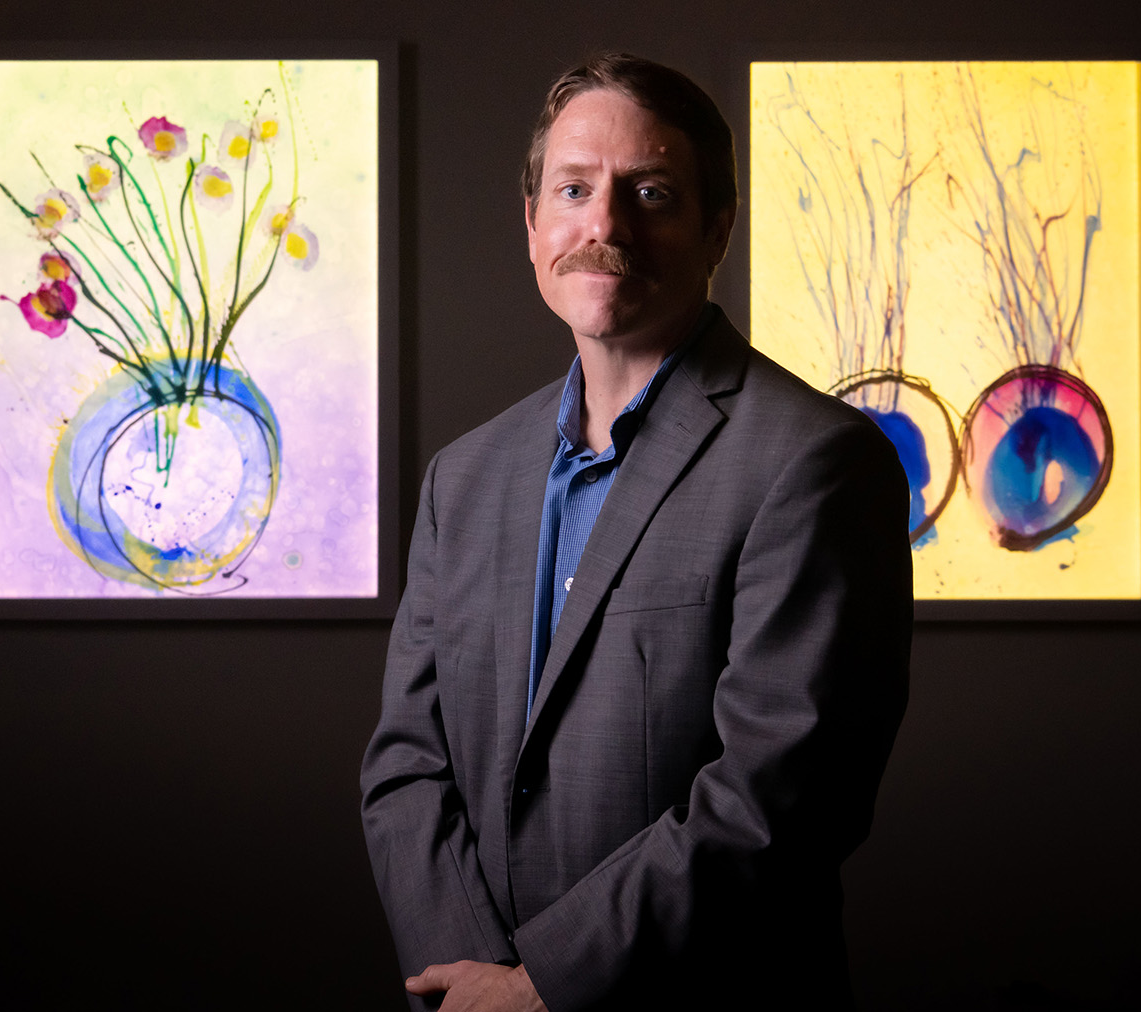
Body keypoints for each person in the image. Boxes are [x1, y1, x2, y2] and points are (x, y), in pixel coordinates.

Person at [359, 53, 912, 1012]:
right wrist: (473, 982)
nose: (603, 225)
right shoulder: (466, 475)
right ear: (533, 223)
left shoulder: (817, 461)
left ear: (716, 231)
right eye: (574, 189)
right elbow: (408, 761)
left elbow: (783, 794)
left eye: (649, 192)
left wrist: (545, 986)